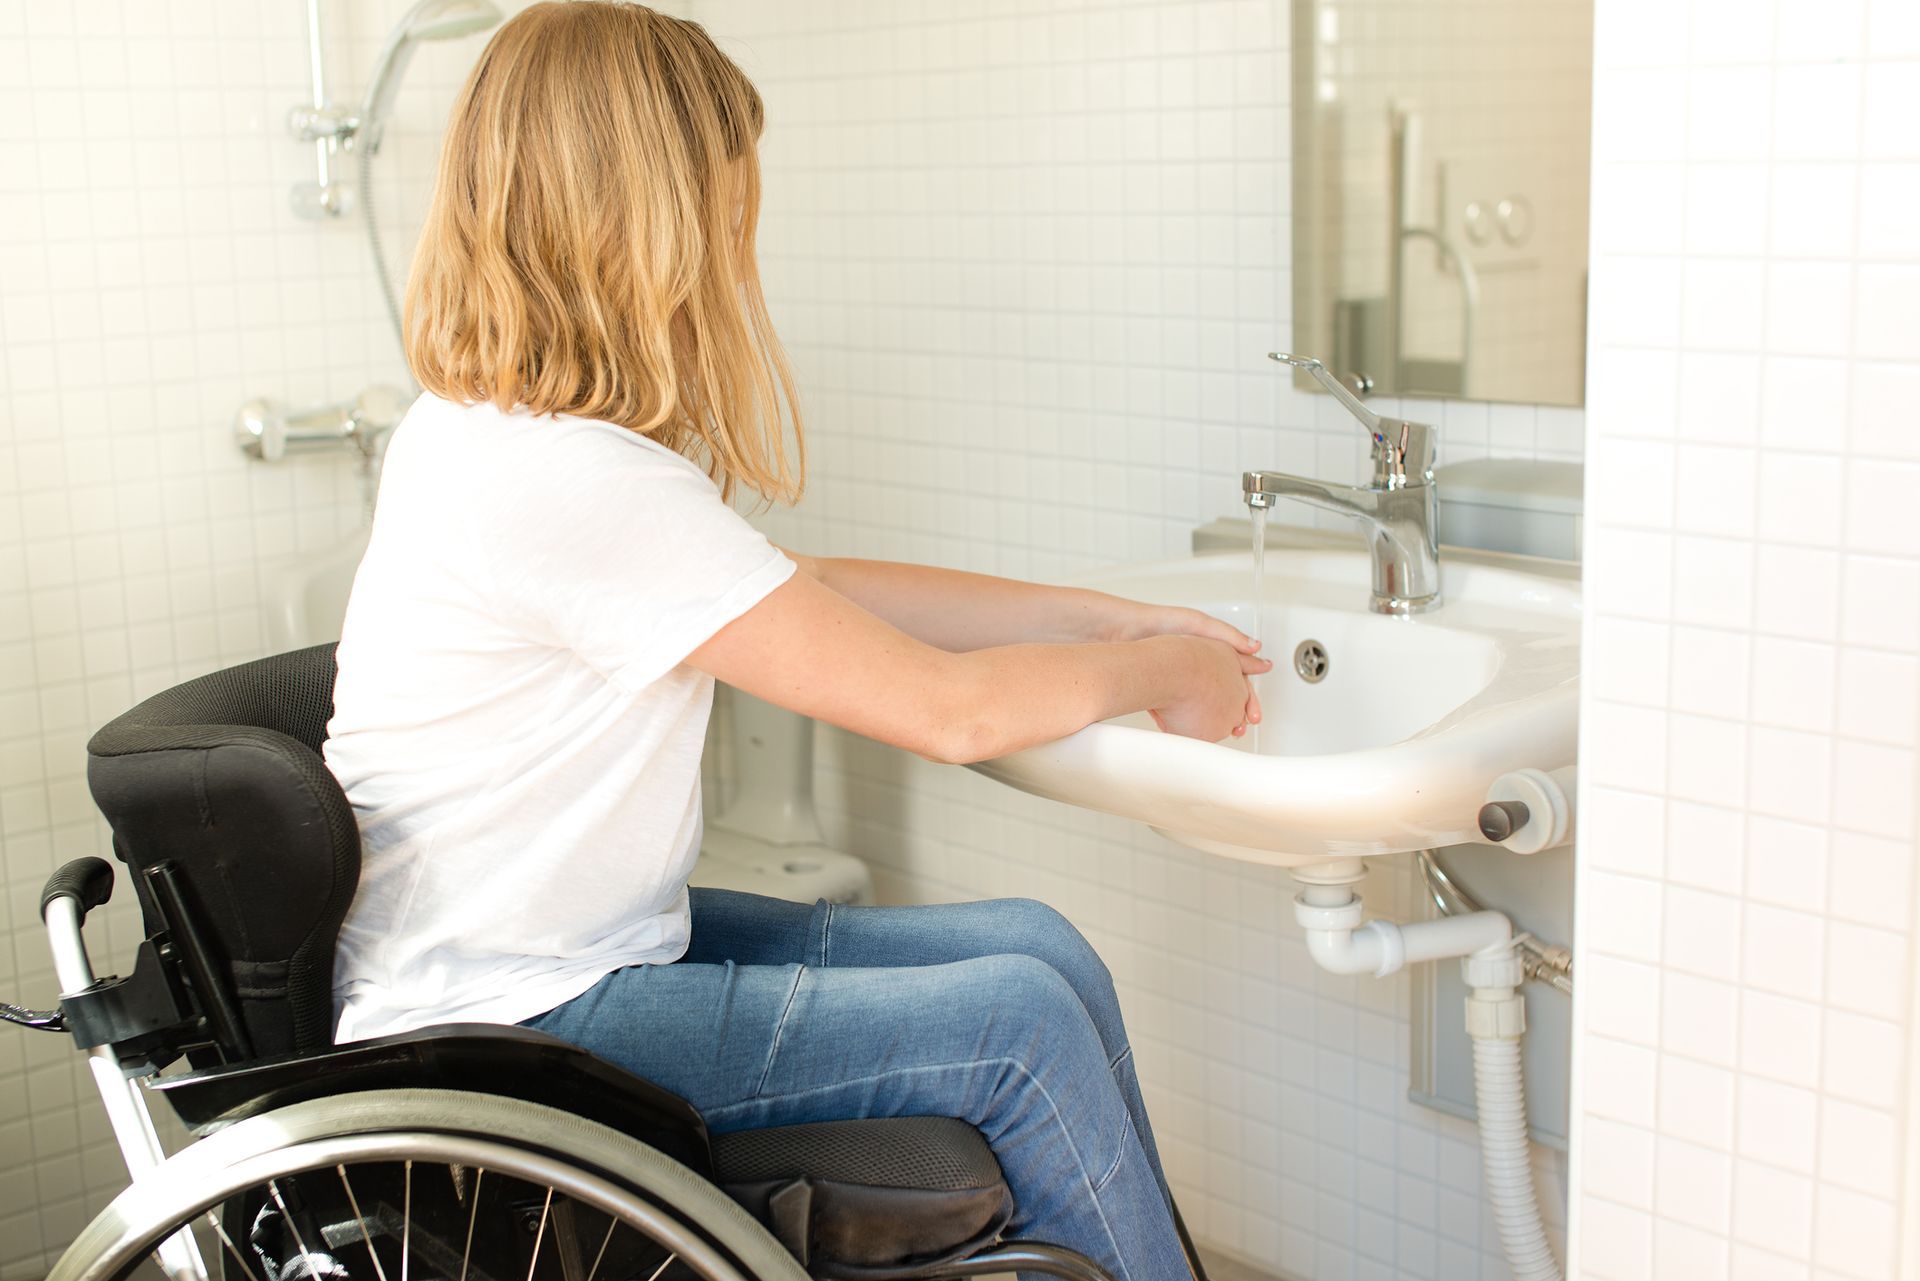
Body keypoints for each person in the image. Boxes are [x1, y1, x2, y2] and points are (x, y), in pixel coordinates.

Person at [322, 5, 1270, 1278]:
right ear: (650, 216)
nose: (738, 240)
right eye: (725, 205)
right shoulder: (567, 479)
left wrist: (1103, 618)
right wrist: (1171, 669)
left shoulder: (491, 430)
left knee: (1043, 947)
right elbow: (954, 714)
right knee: (1020, 1022)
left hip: (544, 966)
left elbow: (802, 586)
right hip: (512, 1025)